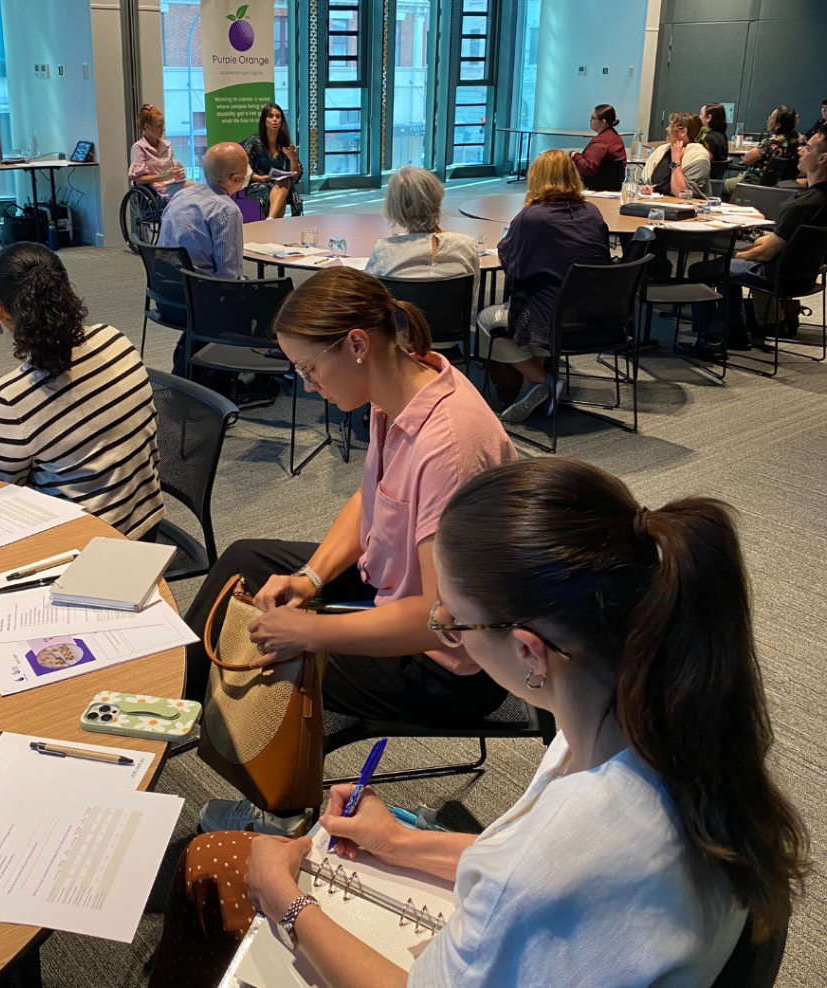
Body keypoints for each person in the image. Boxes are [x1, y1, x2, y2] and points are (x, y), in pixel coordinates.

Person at [149, 457, 810, 988]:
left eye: (452, 620)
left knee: (219, 866)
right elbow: (515, 867)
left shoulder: (566, 846)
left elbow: (518, 881)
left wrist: (286, 901)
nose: (440, 629)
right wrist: (400, 843)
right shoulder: (656, 723)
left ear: (528, 650)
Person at [179, 267, 516, 837]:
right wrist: (309, 579)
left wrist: (310, 633)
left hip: (451, 668)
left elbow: (442, 622)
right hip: (399, 594)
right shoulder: (399, 390)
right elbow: (371, 501)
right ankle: (177, 708)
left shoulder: (448, 445)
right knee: (246, 561)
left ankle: (281, 815)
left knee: (282, 656)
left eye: (309, 369)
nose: (307, 385)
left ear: (357, 344)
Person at [0, 242, 164, 540]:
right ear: (68, 291)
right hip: (146, 526)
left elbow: (4, 494)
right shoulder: (115, 340)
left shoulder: (7, 399)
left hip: (82, 549)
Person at [477, 149, 611, 423]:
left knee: (485, 321)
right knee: (538, 300)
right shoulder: (593, 213)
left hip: (552, 317)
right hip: (598, 315)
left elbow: (511, 262)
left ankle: (546, 381)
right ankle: (531, 386)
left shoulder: (533, 217)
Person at [690, 127, 827, 355]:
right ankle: (736, 334)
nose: (801, 151)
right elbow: (779, 242)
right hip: (805, 276)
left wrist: (736, 255)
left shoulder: (799, 207)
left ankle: (711, 340)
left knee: (701, 269)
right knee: (728, 266)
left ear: (823, 158)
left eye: (808, 148)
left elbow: (765, 255)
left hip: (777, 276)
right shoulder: (818, 202)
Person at [364, 166, 478, 297]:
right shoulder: (466, 245)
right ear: (437, 197)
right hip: (455, 317)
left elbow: (370, 298)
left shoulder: (384, 251)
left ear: (394, 207)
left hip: (402, 317)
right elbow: (472, 294)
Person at [157, 142, 248, 280]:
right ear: (235, 178)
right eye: (246, 168)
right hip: (202, 294)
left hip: (165, 290)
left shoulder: (181, 195)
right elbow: (228, 277)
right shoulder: (227, 210)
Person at [243, 103, 304, 218]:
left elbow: (296, 176)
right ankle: (273, 224)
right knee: (282, 198)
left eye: (278, 116)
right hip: (258, 183)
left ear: (282, 121)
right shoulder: (253, 142)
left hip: (279, 183)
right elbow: (243, 170)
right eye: (270, 116)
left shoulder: (285, 143)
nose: (275, 119)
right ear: (264, 120)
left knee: (285, 181)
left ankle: (270, 220)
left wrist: (293, 158)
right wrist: (261, 178)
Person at [724, 105, 800, 194]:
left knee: (716, 186)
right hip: (775, 185)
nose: (768, 120)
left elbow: (747, 160)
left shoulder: (772, 142)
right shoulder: (793, 142)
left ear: (778, 125)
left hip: (753, 182)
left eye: (771, 118)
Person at [128, 102, 193, 199]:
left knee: (196, 187)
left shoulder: (167, 145)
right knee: (191, 188)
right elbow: (139, 180)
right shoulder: (138, 148)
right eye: (159, 126)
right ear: (147, 127)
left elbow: (177, 169)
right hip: (155, 190)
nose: (163, 129)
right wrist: (164, 176)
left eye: (163, 125)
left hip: (171, 185)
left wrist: (179, 174)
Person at [640, 111, 711, 197]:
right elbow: (642, 183)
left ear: (683, 132)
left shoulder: (698, 155)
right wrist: (649, 189)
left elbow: (682, 193)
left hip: (688, 208)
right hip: (657, 204)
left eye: (670, 125)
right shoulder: (662, 150)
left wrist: (676, 160)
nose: (667, 128)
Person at [570, 103, 626, 191]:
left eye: (593, 118)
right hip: (613, 188)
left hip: (593, 188)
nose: (589, 120)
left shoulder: (600, 141)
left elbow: (588, 168)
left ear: (603, 122)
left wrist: (575, 155)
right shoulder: (616, 137)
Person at [700, 101, 730, 179]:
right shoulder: (722, 135)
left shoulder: (709, 138)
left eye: (701, 114)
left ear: (708, 118)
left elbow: (701, 162)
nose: (699, 117)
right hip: (716, 181)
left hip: (705, 181)